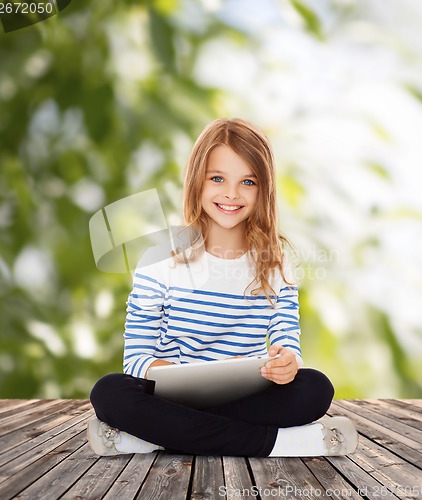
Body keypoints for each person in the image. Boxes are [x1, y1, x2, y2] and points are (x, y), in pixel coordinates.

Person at [87, 118, 358, 457]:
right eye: (217, 179)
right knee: (109, 392)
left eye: (248, 181)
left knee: (315, 388)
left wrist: (287, 362)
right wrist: (179, 377)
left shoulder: (278, 262)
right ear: (196, 183)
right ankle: (279, 444)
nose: (231, 193)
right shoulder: (158, 258)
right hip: (169, 395)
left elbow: (287, 341)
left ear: (264, 190)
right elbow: (137, 359)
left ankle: (150, 437)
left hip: (242, 396)